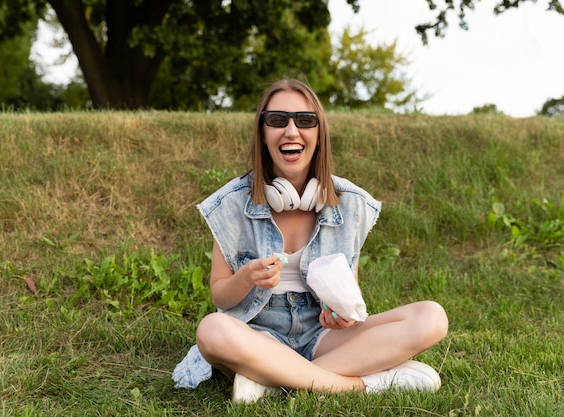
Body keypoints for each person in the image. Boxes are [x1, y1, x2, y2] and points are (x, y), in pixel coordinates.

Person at [172, 78, 449, 403]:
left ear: (319, 134)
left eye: (305, 120)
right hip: (257, 334)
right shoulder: (232, 203)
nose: (291, 130)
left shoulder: (350, 204)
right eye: (277, 120)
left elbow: (349, 300)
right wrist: (246, 277)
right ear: (263, 133)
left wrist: (341, 315)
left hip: (323, 336)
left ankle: (276, 381)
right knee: (211, 330)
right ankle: (359, 384)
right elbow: (220, 294)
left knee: (431, 317)